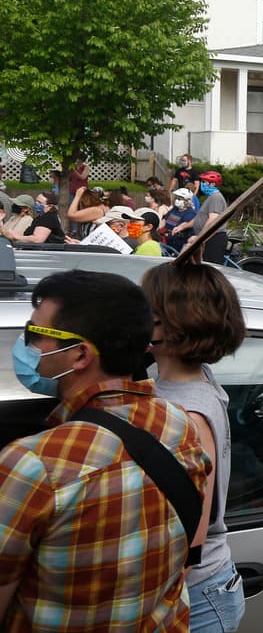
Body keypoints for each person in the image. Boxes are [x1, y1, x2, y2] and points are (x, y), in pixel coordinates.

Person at [0, 270, 211, 630]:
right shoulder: (179, 425)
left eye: (35, 334)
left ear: (80, 355)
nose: (26, 344)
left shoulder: (32, 465)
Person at [143, 263, 247, 632]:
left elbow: (190, 539)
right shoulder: (172, 378)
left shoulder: (187, 414)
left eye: (144, 309)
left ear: (172, 325)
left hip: (196, 598)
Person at [186, 171, 229, 264]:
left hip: (214, 239)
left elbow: (213, 219)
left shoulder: (216, 197)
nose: (202, 184)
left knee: (210, 266)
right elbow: (201, 217)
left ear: (212, 184)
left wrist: (200, 237)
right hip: (209, 238)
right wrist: (183, 226)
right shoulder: (211, 197)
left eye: (204, 182)